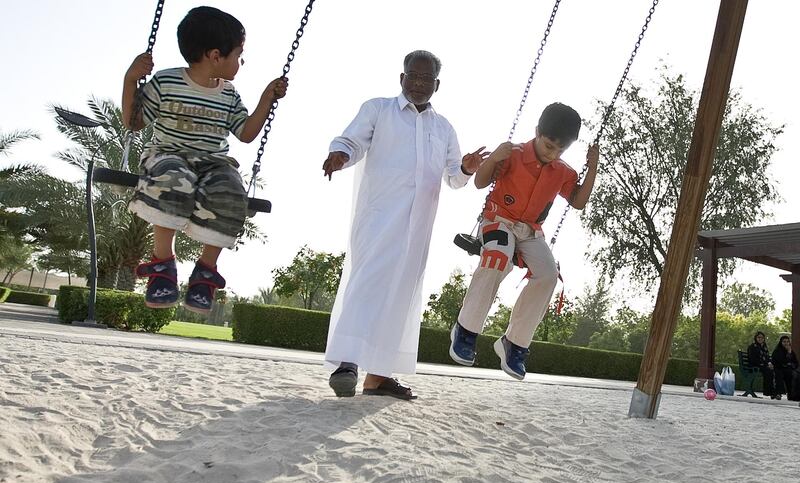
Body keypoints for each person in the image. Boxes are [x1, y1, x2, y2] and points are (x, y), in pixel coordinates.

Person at [322, 50, 488, 400]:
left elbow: (455, 178)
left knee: (402, 297)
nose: (418, 83)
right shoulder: (378, 109)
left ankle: (378, 379)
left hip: (418, 228)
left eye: (426, 79)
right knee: (365, 283)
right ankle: (347, 364)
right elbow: (352, 141)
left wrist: (469, 168)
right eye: (413, 76)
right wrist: (340, 155)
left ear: (436, 85)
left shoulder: (443, 127)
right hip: (379, 216)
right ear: (401, 78)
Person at [122, 6, 288, 314]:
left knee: (231, 191)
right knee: (174, 179)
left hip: (213, 162)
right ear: (215, 55)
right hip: (168, 154)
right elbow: (134, 122)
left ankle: (205, 272)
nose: (241, 61)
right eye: (238, 54)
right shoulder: (166, 82)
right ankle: (163, 264)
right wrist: (131, 80)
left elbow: (246, 133)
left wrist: (267, 98)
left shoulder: (230, 95)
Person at [449, 103, 599, 380]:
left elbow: (578, 202)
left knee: (548, 275)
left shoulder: (563, 172)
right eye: (547, 144)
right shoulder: (513, 154)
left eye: (559, 150)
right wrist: (494, 158)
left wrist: (593, 169)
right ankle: (466, 330)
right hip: (497, 220)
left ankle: (514, 343)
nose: (551, 153)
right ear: (537, 132)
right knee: (497, 258)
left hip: (531, 232)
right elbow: (480, 183)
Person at [748, 331, 775, 398]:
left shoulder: (764, 347)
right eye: (759, 337)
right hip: (755, 366)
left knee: (776, 370)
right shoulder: (753, 347)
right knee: (768, 371)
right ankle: (769, 392)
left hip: (763, 365)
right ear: (756, 338)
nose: (760, 339)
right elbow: (753, 359)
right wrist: (766, 364)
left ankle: (776, 392)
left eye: (762, 338)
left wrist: (770, 363)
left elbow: (767, 357)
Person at [772, 335, 796, 400]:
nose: (786, 343)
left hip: (787, 369)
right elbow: (780, 362)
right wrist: (788, 355)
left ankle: (791, 395)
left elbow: (795, 362)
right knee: (780, 374)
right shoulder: (778, 350)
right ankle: (778, 393)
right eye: (784, 341)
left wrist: (790, 354)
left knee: (792, 375)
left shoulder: (790, 351)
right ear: (781, 342)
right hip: (778, 368)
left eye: (788, 342)